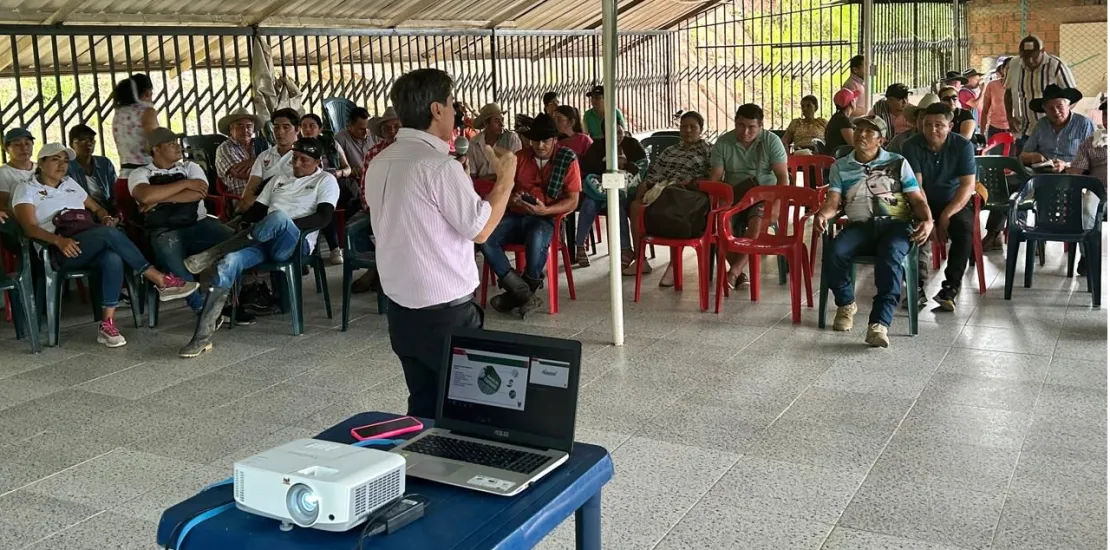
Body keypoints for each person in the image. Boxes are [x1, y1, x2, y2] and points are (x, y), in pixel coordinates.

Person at [364, 68, 517, 417]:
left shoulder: (380, 162)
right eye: (451, 105)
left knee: (422, 404)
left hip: (401, 310)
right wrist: (505, 179)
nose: (454, 113)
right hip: (446, 312)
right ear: (436, 110)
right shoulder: (436, 166)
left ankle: (421, 463)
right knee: (468, 408)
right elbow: (480, 231)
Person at [12, 143, 198, 347]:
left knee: (112, 256)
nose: (62, 165)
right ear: (41, 163)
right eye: (56, 159)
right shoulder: (27, 188)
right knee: (109, 236)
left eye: (65, 161)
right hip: (58, 248)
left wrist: (106, 217)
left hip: (88, 241)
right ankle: (158, 278)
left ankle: (107, 324)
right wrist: (59, 240)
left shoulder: (70, 183)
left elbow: (97, 209)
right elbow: (29, 228)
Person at [179, 137, 339, 358]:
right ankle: (201, 337)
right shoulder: (278, 179)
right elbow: (255, 211)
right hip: (261, 241)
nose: (297, 164)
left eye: (304, 160)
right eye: (295, 158)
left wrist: (285, 225)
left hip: (293, 244)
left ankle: (214, 252)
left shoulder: (326, 180)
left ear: (317, 161)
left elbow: (324, 217)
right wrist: (242, 222)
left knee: (278, 218)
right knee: (228, 264)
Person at [812, 116, 933, 347]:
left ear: (881, 139)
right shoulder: (841, 166)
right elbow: (833, 200)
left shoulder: (898, 162)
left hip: (896, 225)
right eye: (859, 129)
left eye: (870, 131)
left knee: (890, 259)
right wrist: (822, 215)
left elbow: (916, 199)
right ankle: (846, 302)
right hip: (861, 227)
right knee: (835, 252)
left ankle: (879, 323)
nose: (862, 134)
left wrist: (928, 220)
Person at [128, 127, 252, 325]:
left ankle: (233, 301)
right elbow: (144, 195)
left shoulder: (190, 167)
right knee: (169, 251)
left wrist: (159, 199)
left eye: (176, 142)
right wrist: (185, 185)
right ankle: (201, 307)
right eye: (170, 144)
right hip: (164, 230)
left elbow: (199, 193)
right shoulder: (139, 173)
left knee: (238, 241)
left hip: (199, 224)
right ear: (156, 150)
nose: (177, 147)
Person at [481, 113, 581, 314]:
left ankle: (515, 295)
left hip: (546, 218)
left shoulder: (567, 158)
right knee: (483, 236)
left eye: (545, 141)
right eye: (536, 141)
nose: (541, 146)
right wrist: (512, 199)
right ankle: (524, 293)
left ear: (554, 140)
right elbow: (503, 190)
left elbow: (573, 201)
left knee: (536, 238)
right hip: (516, 215)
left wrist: (546, 210)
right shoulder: (519, 158)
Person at [901, 103, 978, 311]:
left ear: (950, 125)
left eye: (939, 125)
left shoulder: (963, 146)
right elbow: (916, 187)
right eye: (927, 125)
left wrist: (945, 216)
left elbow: (967, 185)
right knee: (914, 230)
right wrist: (929, 219)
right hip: (921, 199)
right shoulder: (911, 146)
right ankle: (915, 288)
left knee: (963, 229)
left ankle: (950, 288)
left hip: (954, 202)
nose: (932, 130)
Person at [710, 104, 789, 289]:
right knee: (720, 221)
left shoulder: (771, 141)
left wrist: (777, 204)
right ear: (735, 122)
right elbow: (715, 178)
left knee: (757, 222)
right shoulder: (723, 143)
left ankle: (734, 271)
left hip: (763, 196)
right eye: (740, 125)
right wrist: (715, 203)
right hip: (734, 196)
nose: (745, 131)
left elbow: (783, 177)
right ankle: (739, 272)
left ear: (760, 126)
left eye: (751, 127)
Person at [630, 111, 712, 286]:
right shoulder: (670, 150)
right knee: (635, 207)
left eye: (693, 127)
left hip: (687, 195)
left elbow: (711, 179)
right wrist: (645, 187)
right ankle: (640, 259)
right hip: (662, 190)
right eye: (684, 127)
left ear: (701, 130)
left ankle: (674, 266)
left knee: (675, 206)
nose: (688, 130)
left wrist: (689, 183)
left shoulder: (708, 151)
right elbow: (654, 173)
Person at [576, 120, 647, 270]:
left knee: (617, 206)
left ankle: (626, 250)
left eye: (620, 132)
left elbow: (641, 166)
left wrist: (625, 165)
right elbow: (588, 168)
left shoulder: (632, 144)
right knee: (588, 204)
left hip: (627, 191)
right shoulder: (596, 147)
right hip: (601, 189)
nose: (617, 136)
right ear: (604, 135)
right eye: (612, 133)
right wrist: (609, 166)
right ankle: (580, 245)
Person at [347, 106, 403, 295]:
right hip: (378, 208)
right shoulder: (374, 153)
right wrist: (372, 208)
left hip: (406, 211)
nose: (393, 132)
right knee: (354, 228)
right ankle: (378, 268)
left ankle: (376, 272)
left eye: (397, 127)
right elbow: (365, 187)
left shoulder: (414, 151)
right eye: (388, 128)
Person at [301, 112, 357, 265]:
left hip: (334, 181)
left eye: (312, 126)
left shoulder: (330, 144)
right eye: (304, 126)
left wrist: (338, 173)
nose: (307, 129)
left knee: (352, 202)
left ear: (320, 129)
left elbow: (348, 168)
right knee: (324, 202)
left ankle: (350, 245)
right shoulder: (297, 147)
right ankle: (334, 248)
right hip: (309, 186)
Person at [1067, 99, 1109, 276]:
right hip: (1098, 191)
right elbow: (1075, 172)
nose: (1109, 119)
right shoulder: (1091, 142)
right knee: (1085, 209)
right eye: (1106, 114)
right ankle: (1088, 256)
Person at [1005, 35, 1077, 139]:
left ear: (1043, 51)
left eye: (1034, 57)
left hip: (1053, 130)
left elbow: (1073, 95)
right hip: (1025, 129)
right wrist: (1009, 117)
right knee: (1024, 154)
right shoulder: (1015, 65)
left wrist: (1059, 116)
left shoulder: (1056, 66)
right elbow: (1008, 93)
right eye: (1025, 57)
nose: (1030, 60)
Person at [1018, 85, 1095, 171]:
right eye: (1051, 108)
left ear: (1068, 105)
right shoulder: (1041, 124)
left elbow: (1094, 158)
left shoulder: (1084, 123)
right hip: (1043, 173)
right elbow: (1023, 156)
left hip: (1073, 173)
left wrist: (1066, 165)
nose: (1056, 111)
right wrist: (1033, 157)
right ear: (1045, 111)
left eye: (1059, 106)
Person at [111, 74, 158, 177]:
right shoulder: (147, 112)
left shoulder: (119, 113)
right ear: (147, 92)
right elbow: (154, 145)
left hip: (124, 176)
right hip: (146, 178)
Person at [214, 107, 265, 196]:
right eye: (240, 126)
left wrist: (255, 160)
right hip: (242, 197)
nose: (245, 130)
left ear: (253, 129)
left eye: (249, 126)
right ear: (231, 129)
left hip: (266, 192)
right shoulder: (225, 148)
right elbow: (242, 174)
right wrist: (265, 165)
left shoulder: (262, 144)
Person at [66, 124, 117, 211]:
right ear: (71, 144)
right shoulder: (67, 168)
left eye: (91, 139)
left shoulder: (104, 163)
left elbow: (115, 192)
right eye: (82, 140)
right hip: (84, 211)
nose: (88, 143)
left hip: (107, 208)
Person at [467, 103, 523, 179]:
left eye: (502, 120)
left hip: (506, 186)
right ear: (486, 123)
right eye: (497, 121)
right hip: (480, 186)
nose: (502, 124)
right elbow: (472, 174)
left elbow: (517, 170)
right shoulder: (474, 143)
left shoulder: (512, 139)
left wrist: (489, 178)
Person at [334, 108, 375, 181]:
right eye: (361, 129)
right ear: (349, 126)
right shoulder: (340, 139)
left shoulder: (371, 135)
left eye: (367, 128)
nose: (365, 132)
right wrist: (352, 171)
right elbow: (338, 167)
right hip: (352, 181)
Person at [0, 128, 36, 213]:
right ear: (7, 149)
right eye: (17, 144)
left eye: (27, 143)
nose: (24, 148)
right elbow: (2, 206)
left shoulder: (41, 168)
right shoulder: (3, 173)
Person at [979, 58, 1011, 140]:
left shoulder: (1022, 86)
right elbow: (985, 110)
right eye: (1008, 68)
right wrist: (982, 133)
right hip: (996, 128)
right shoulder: (992, 85)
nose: (1011, 71)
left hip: (1017, 129)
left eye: (1014, 68)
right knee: (996, 153)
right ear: (1002, 69)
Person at [825, 88, 859, 155]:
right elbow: (853, 145)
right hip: (838, 158)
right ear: (852, 102)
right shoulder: (843, 121)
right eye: (854, 99)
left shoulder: (837, 117)